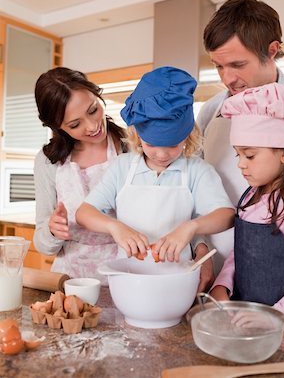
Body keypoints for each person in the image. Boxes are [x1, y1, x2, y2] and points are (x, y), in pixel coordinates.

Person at [76, 66, 234, 271]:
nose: (162, 155)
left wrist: (191, 227)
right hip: (130, 276)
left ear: (188, 135)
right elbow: (84, 213)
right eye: (151, 145)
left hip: (179, 278)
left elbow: (226, 216)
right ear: (137, 136)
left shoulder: (197, 170)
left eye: (173, 145)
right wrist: (114, 227)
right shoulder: (122, 167)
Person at [196, 0, 284, 273]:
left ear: (272, 50)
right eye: (218, 66)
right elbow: (193, 189)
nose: (227, 79)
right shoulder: (211, 111)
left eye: (238, 65)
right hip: (219, 272)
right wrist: (199, 247)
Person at [210, 83, 284, 326]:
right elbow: (243, 251)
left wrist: (279, 315)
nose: (240, 164)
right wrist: (222, 284)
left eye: (250, 155)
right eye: (238, 155)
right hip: (244, 317)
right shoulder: (251, 196)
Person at [33, 67, 127, 279]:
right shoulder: (48, 162)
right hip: (71, 282)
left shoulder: (133, 147)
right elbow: (42, 244)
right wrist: (52, 231)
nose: (93, 126)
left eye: (93, 110)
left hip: (127, 276)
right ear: (58, 127)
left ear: (96, 94)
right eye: (75, 124)